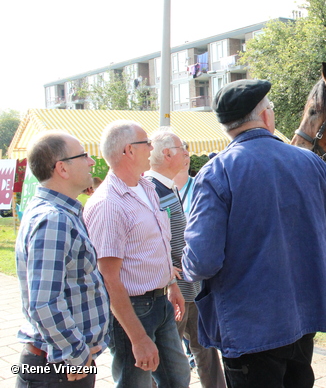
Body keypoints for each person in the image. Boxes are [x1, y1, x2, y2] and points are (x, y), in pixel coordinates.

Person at [182, 79, 326, 388]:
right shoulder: (312, 163)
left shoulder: (216, 173)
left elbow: (201, 261)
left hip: (250, 326)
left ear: (226, 128)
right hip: (303, 316)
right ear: (265, 116)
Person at [84, 120, 191, 388]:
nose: (152, 148)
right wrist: (138, 338)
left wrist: (171, 283)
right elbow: (109, 279)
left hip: (160, 303)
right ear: (129, 151)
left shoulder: (147, 188)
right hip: (132, 311)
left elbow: (159, 244)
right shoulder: (108, 204)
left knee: (177, 378)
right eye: (147, 143)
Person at [15, 130, 110, 387]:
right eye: (83, 156)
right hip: (59, 368)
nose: (91, 162)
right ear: (62, 169)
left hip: (62, 365)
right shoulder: (54, 219)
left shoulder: (60, 213)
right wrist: (75, 354)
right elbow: (43, 302)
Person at [146, 130, 225, 388]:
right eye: (183, 148)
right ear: (167, 154)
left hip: (189, 286)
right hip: (172, 290)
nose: (187, 153)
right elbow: (148, 240)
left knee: (206, 347)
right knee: (171, 360)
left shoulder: (167, 187)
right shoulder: (149, 190)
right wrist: (169, 273)